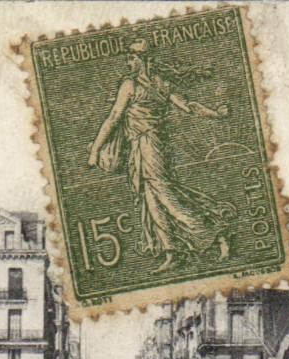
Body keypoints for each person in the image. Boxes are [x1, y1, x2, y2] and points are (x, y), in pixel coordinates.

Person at [86, 39, 231, 272]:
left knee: (165, 195)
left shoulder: (130, 85)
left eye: (132, 58)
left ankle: (214, 234)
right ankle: (171, 251)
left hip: (149, 146)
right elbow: (189, 106)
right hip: (143, 147)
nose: (129, 62)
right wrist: (216, 114)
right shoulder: (162, 84)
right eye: (129, 57)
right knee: (151, 199)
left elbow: (113, 118)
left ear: (143, 60)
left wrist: (95, 149)